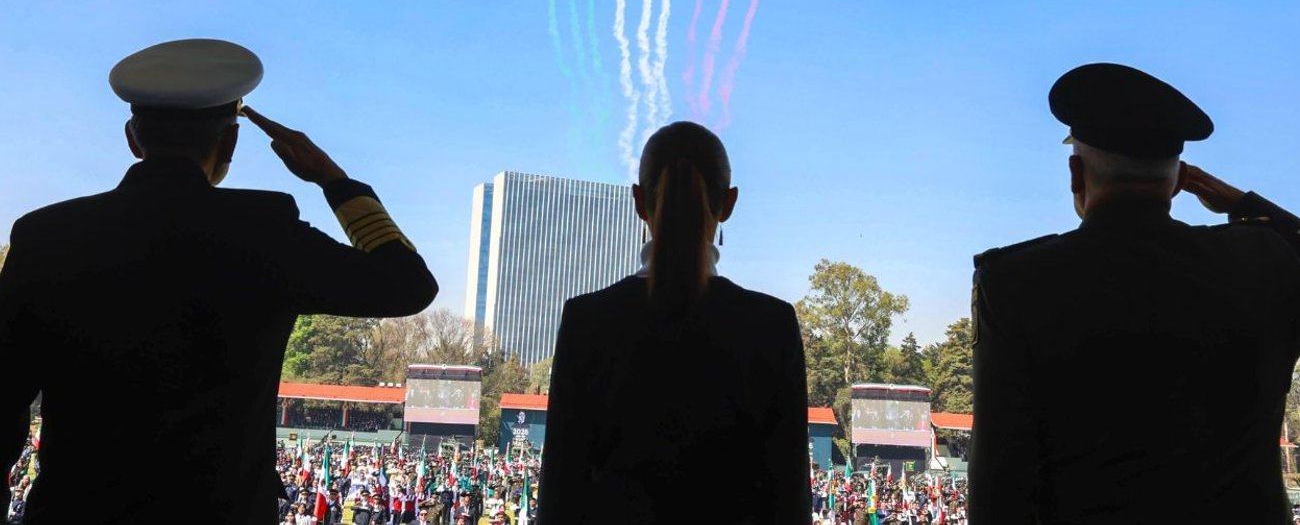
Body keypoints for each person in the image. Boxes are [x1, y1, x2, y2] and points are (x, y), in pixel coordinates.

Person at [0, 39, 439, 523]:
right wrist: (332, 178)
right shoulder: (266, 232)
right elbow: (407, 285)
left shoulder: (45, 236)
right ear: (228, 142)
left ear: (133, 137)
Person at [968, 63, 1300, 523]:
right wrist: (1244, 204)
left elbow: (999, 489)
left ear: (1075, 174)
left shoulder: (1016, 281)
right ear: (1182, 180)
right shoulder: (1266, 262)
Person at [538, 121, 812, 523]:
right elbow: (789, 501)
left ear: (638, 201)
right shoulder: (772, 326)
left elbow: (560, 497)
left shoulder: (586, 321)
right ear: (729, 203)